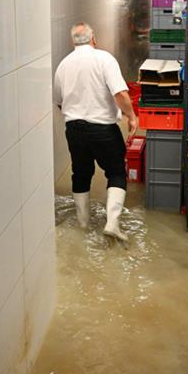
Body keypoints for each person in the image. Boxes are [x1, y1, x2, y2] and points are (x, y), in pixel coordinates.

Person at [53, 22, 138, 240]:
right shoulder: (104, 59)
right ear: (94, 39)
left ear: (72, 41)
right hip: (103, 129)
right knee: (116, 171)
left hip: (74, 129)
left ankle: (82, 224)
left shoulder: (63, 65)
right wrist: (131, 116)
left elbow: (59, 102)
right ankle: (112, 224)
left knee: (80, 173)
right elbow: (120, 94)